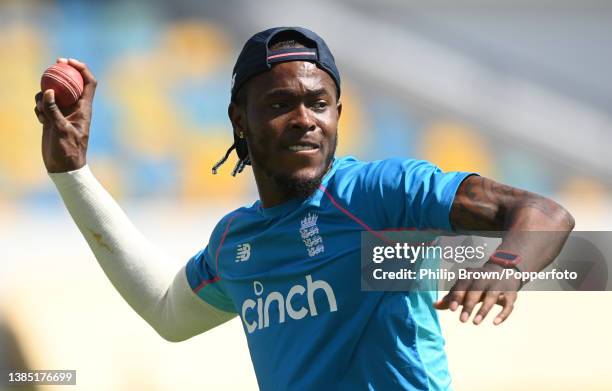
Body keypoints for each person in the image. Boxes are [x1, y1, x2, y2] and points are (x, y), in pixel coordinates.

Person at [34, 27, 574, 390]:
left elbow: (544, 213)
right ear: (238, 120)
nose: (304, 119)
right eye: (278, 105)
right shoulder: (235, 244)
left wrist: (507, 267)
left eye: (318, 103)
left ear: (338, 112)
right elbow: (167, 312)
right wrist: (72, 175)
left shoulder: (379, 193)